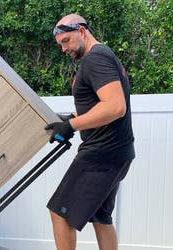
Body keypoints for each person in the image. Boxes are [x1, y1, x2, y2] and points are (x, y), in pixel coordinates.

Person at [44, 14, 135, 250]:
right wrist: (73, 119)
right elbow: (101, 103)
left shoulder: (96, 59)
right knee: (100, 217)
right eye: (60, 44)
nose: (64, 48)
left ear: (82, 31)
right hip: (117, 153)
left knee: (60, 214)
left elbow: (115, 107)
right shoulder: (103, 56)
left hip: (101, 154)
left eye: (66, 40)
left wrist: (72, 126)